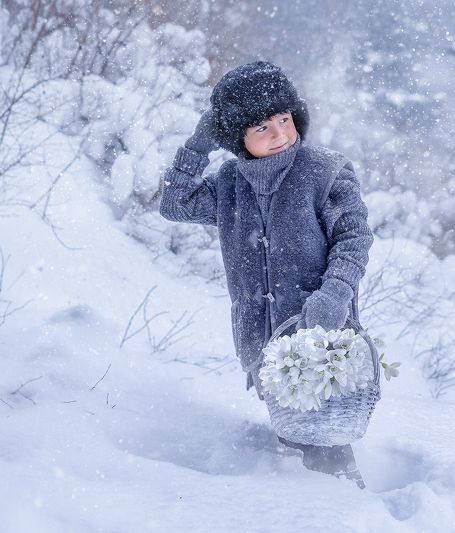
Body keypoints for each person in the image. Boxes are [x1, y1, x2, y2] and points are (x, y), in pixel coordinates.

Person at [158, 60, 374, 488]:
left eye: (284, 119)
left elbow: (355, 238)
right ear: (237, 139)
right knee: (291, 438)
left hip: (321, 338)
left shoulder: (325, 172)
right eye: (262, 128)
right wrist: (199, 145)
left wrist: (335, 292)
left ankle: (352, 510)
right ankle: (302, 511)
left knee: (326, 447)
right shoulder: (229, 184)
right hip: (263, 343)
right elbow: (174, 203)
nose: (279, 135)